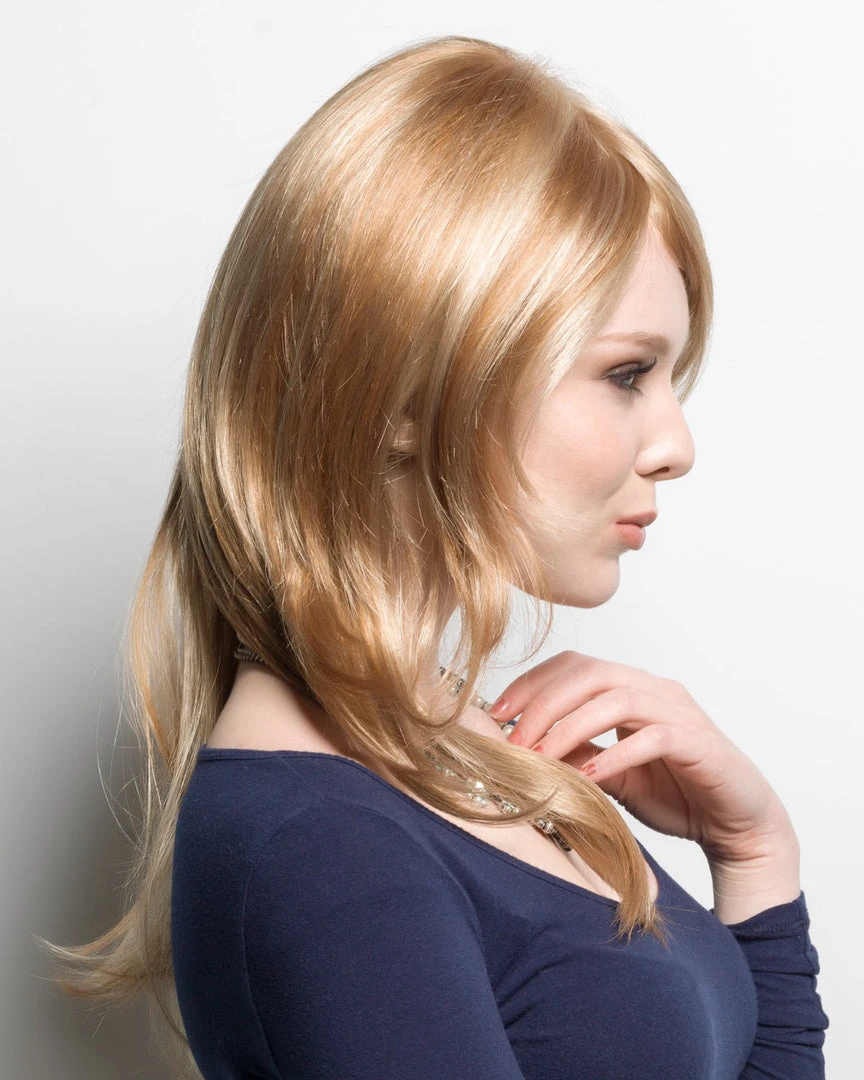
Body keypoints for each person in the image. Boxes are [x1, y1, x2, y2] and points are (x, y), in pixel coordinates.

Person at [40, 34, 829, 1079]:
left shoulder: (462, 753)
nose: (675, 444)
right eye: (626, 373)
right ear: (409, 388)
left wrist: (754, 851)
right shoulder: (321, 845)